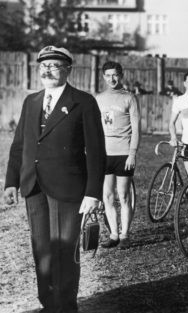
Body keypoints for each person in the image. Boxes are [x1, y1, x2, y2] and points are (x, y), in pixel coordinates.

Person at [3, 46, 106, 313]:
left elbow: (96, 151)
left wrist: (93, 193)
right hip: (33, 186)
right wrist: (12, 181)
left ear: (68, 70)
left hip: (68, 188)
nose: (47, 70)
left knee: (64, 253)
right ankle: (48, 305)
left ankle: (65, 307)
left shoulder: (83, 102)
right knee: (42, 250)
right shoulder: (32, 101)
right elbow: (20, 145)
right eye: (43, 66)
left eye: (54, 65)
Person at [96, 61, 141, 250]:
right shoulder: (98, 98)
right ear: (103, 77)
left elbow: (137, 128)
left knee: (123, 196)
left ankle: (125, 235)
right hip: (104, 154)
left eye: (115, 75)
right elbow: (95, 128)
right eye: (108, 75)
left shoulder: (129, 98)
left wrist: (132, 153)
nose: (112, 79)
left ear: (121, 75)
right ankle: (113, 234)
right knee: (107, 195)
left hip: (123, 153)